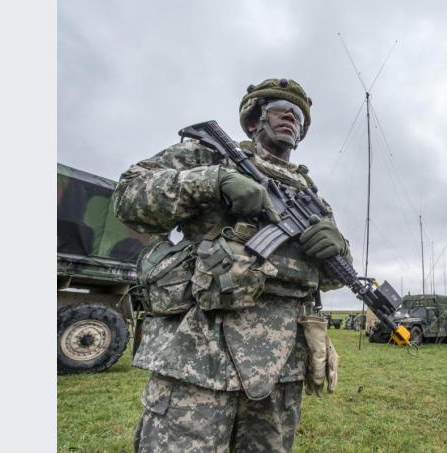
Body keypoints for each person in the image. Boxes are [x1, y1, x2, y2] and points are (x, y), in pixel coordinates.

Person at [112, 78, 350, 452]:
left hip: (279, 366)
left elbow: (329, 277)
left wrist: (339, 249)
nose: (291, 115)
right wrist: (213, 181)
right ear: (255, 120)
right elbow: (128, 198)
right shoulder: (208, 157)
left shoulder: (311, 197)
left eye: (299, 114)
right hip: (199, 354)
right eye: (279, 108)